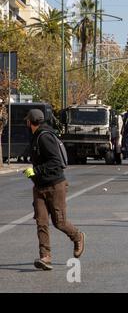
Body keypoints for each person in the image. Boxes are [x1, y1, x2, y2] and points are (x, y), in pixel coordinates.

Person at [23, 109, 85, 271]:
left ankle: (77, 236)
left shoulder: (44, 137)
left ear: (30, 122)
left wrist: (36, 170)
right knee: (41, 222)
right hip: (39, 187)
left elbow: (56, 162)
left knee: (59, 222)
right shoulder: (36, 137)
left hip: (55, 185)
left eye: (26, 121)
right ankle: (46, 257)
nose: (26, 123)